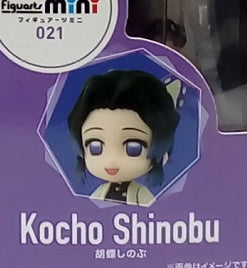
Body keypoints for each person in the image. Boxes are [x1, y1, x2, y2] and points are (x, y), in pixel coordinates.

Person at [67, 69, 179, 207]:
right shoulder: (100, 193)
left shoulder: (140, 193)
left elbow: (153, 214)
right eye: (95, 147)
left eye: (133, 148)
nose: (112, 160)